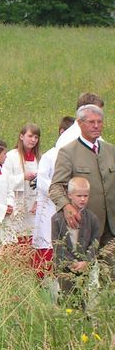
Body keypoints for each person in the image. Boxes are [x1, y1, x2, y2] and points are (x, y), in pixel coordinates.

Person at [50, 104, 115, 253]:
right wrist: (67, 207)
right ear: (79, 123)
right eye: (91, 122)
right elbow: (56, 187)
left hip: (110, 229)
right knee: (79, 272)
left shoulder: (111, 150)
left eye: (100, 122)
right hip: (82, 226)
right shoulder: (68, 152)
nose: (96, 126)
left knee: (110, 274)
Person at [33, 116, 76, 277]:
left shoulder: (75, 155)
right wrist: (60, 191)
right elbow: (41, 181)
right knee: (47, 242)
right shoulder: (50, 156)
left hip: (70, 207)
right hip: (50, 206)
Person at [52, 177, 100, 309]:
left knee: (84, 300)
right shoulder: (57, 219)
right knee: (67, 301)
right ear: (69, 195)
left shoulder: (92, 219)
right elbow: (57, 245)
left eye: (86, 196)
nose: (83, 199)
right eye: (79, 195)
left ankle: (85, 326)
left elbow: (95, 244)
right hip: (64, 270)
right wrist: (70, 263)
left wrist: (86, 262)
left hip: (85, 269)